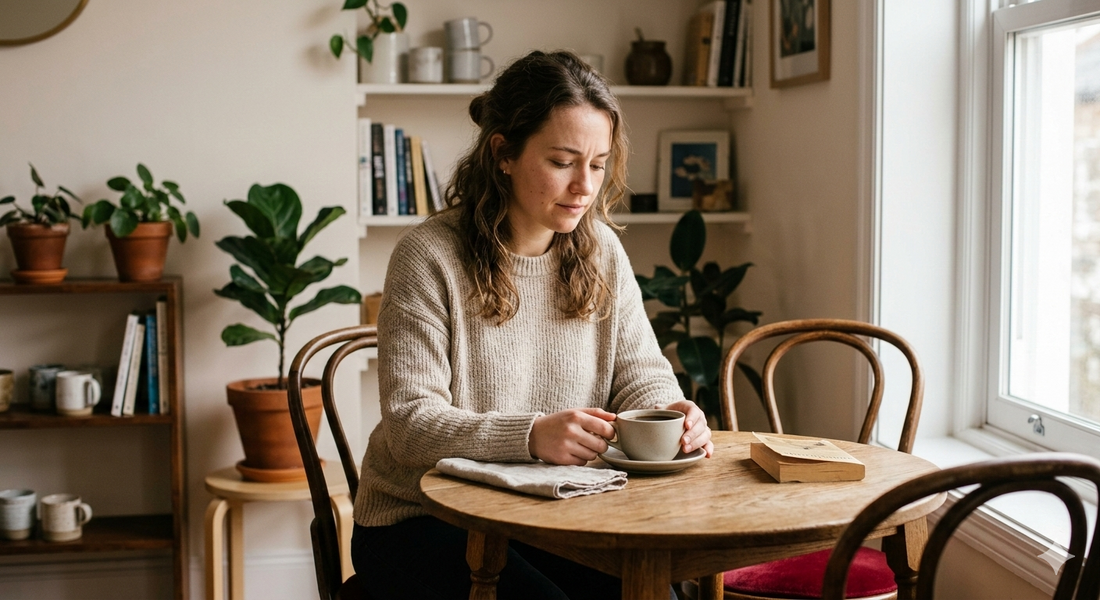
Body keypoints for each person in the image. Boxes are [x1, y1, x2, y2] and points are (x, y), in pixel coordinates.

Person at [350, 50, 714, 600]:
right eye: (563, 161)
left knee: (655, 594)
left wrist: (674, 413)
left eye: (597, 164)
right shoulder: (428, 255)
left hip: (555, 512)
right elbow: (409, 425)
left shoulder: (603, 252)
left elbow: (641, 375)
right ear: (504, 153)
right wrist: (529, 436)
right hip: (421, 517)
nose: (584, 187)